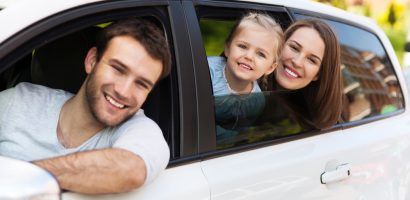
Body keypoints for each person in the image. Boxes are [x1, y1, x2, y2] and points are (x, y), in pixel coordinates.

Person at [0, 18, 171, 194]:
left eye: (142, 84)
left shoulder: (142, 130)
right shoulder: (18, 102)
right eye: (118, 69)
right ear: (92, 61)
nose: (124, 92)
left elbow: (132, 169)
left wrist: (22, 177)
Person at [207, 12, 284, 144]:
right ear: (227, 48)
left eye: (261, 54)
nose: (249, 56)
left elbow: (241, 132)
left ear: (270, 68)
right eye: (242, 46)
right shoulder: (207, 71)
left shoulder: (257, 100)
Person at [271, 18, 343, 129]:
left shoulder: (305, 126)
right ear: (280, 44)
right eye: (294, 48)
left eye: (312, 60)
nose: (297, 62)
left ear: (318, 74)